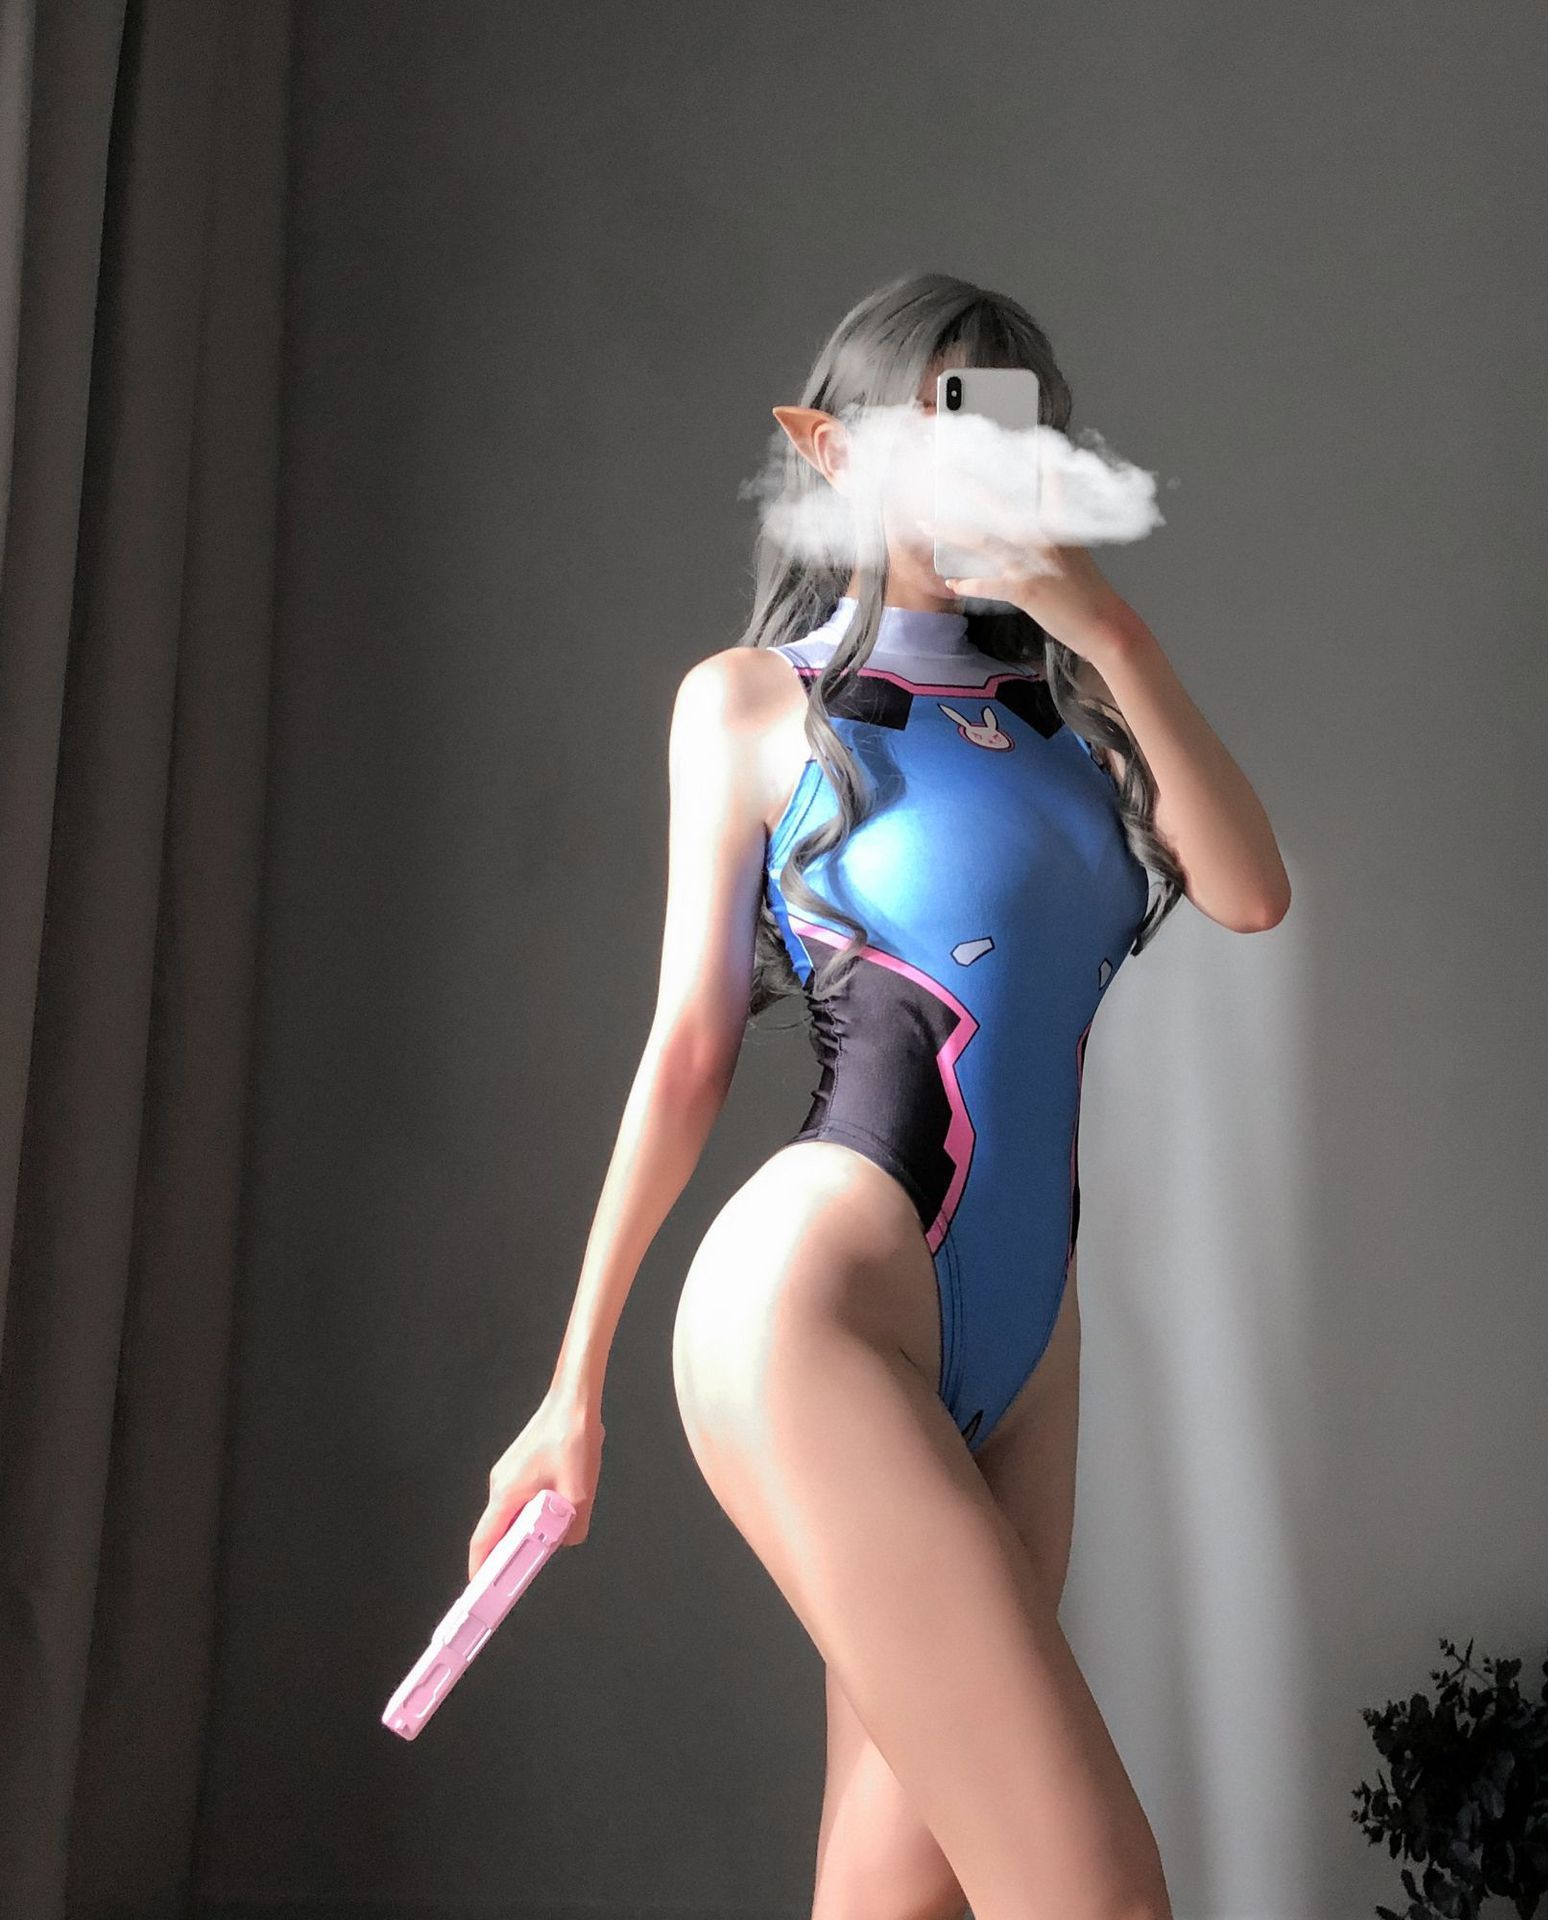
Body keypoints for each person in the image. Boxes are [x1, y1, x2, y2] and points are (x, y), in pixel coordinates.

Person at [469, 272, 1291, 1920]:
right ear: (827, 451)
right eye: (931, 427)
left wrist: (1107, 626)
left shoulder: (1076, 717)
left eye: (1004, 431)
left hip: (1029, 1341)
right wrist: (572, 1389)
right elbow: (689, 1052)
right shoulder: (751, 704)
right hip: (817, 1307)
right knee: (1098, 1897)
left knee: (897, 1895)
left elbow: (1252, 892)